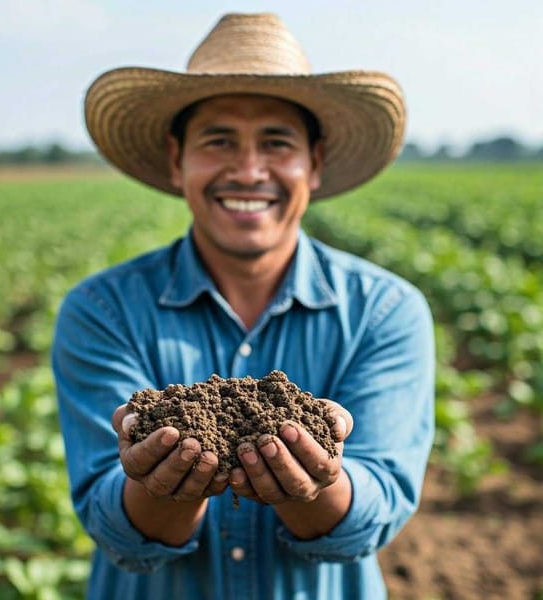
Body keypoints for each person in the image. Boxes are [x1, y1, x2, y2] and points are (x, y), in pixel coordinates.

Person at [52, 12, 434, 600]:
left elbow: (372, 514)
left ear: (316, 160)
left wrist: (320, 480)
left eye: (277, 143)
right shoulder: (102, 310)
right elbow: (118, 529)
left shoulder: (385, 311)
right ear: (178, 160)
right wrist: (157, 481)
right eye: (219, 140)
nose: (249, 170)